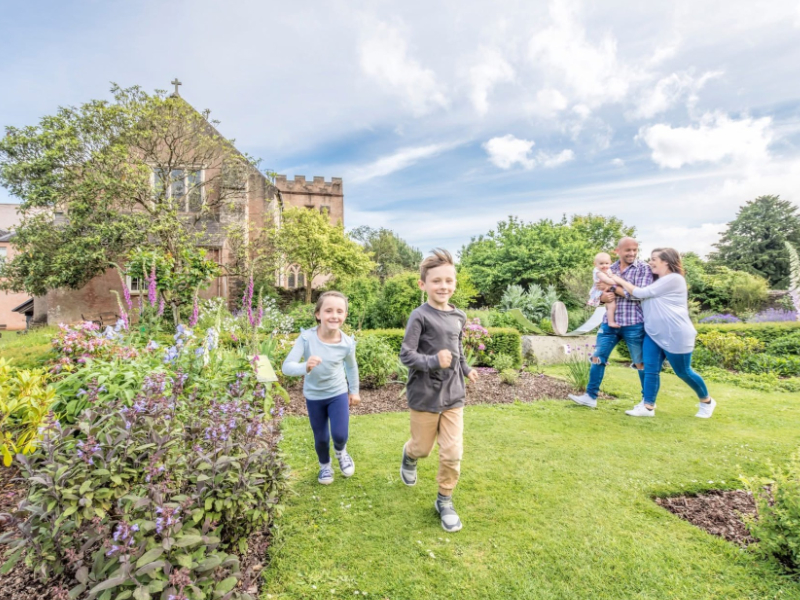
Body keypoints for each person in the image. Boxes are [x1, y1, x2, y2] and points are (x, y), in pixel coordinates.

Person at [398, 248, 479, 533]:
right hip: (425, 395)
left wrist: (466, 369)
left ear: (455, 283)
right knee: (423, 448)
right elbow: (406, 355)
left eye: (449, 280)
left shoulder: (459, 316)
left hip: (454, 394)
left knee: (452, 452)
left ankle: (444, 499)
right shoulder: (419, 316)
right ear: (423, 284)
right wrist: (433, 361)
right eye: (436, 281)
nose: (443, 286)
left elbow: (458, 349)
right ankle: (409, 455)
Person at [610, 248, 716, 418]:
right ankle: (648, 407)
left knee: (683, 371)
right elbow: (637, 294)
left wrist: (617, 279)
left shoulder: (674, 279)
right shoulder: (657, 281)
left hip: (676, 334)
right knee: (650, 369)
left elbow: (640, 293)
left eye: (654, 259)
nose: (650, 262)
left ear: (666, 261)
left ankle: (707, 401)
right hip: (653, 333)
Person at [282, 291, 361, 484]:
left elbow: (351, 367)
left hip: (337, 393)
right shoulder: (306, 338)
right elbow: (286, 367)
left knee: (340, 435)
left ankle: (341, 452)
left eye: (339, 311)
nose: (334, 315)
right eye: (328, 310)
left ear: (345, 316)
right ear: (318, 314)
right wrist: (305, 366)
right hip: (314, 396)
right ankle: (325, 466)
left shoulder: (347, 343)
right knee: (321, 438)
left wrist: (354, 391)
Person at [569, 237, 653, 409]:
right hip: (609, 323)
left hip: (633, 323)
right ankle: (590, 396)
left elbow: (639, 294)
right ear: (618, 251)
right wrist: (602, 298)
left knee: (640, 362)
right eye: (628, 250)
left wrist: (613, 288)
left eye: (635, 250)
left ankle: (647, 402)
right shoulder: (607, 268)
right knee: (597, 357)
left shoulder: (643, 268)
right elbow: (596, 293)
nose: (632, 253)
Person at [588, 252, 620, 328]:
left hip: (607, 289)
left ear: (610, 262)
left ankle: (612, 320)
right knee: (611, 306)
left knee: (612, 306)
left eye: (606, 263)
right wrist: (619, 281)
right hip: (601, 291)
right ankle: (611, 322)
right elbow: (607, 280)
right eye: (601, 263)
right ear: (595, 264)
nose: (604, 265)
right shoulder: (598, 272)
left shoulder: (608, 269)